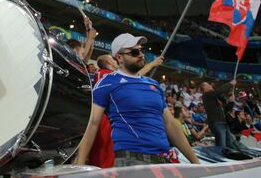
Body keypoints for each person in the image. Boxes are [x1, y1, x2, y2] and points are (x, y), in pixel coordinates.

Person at [75, 33, 199, 166]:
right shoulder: (107, 83)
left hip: (164, 161)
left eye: (140, 50)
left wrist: (196, 163)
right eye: (134, 52)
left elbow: (170, 124)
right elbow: (92, 123)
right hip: (132, 161)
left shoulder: (154, 84)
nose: (141, 54)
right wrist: (80, 163)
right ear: (119, 57)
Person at [200, 80, 248, 150]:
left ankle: (244, 151)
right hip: (217, 123)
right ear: (204, 88)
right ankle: (221, 159)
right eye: (207, 84)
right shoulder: (206, 95)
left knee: (231, 142)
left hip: (223, 123)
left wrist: (231, 101)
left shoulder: (213, 98)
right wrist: (230, 84)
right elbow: (219, 91)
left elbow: (227, 107)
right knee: (222, 145)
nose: (210, 85)